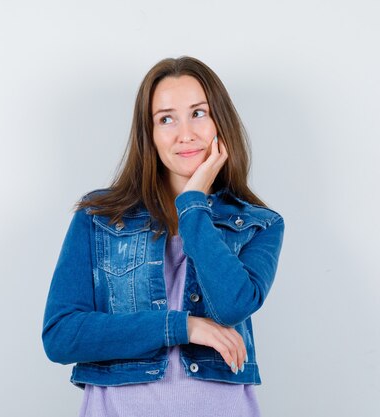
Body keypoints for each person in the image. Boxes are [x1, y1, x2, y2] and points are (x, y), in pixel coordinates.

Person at [42, 56, 285, 417]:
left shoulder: (259, 224)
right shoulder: (99, 218)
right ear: (150, 134)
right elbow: (62, 336)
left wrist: (192, 205)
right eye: (166, 118)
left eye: (198, 113)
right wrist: (180, 327)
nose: (185, 133)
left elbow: (232, 305)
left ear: (221, 121)